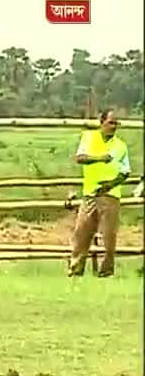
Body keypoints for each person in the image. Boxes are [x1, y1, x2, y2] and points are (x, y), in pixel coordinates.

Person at [68, 109, 131, 278]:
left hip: (110, 195)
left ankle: (106, 273)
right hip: (89, 193)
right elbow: (80, 158)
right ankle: (75, 270)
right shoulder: (89, 138)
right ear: (101, 122)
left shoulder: (121, 146)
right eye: (111, 122)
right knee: (81, 233)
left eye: (116, 123)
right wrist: (100, 158)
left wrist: (110, 185)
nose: (114, 126)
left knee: (109, 237)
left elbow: (125, 172)